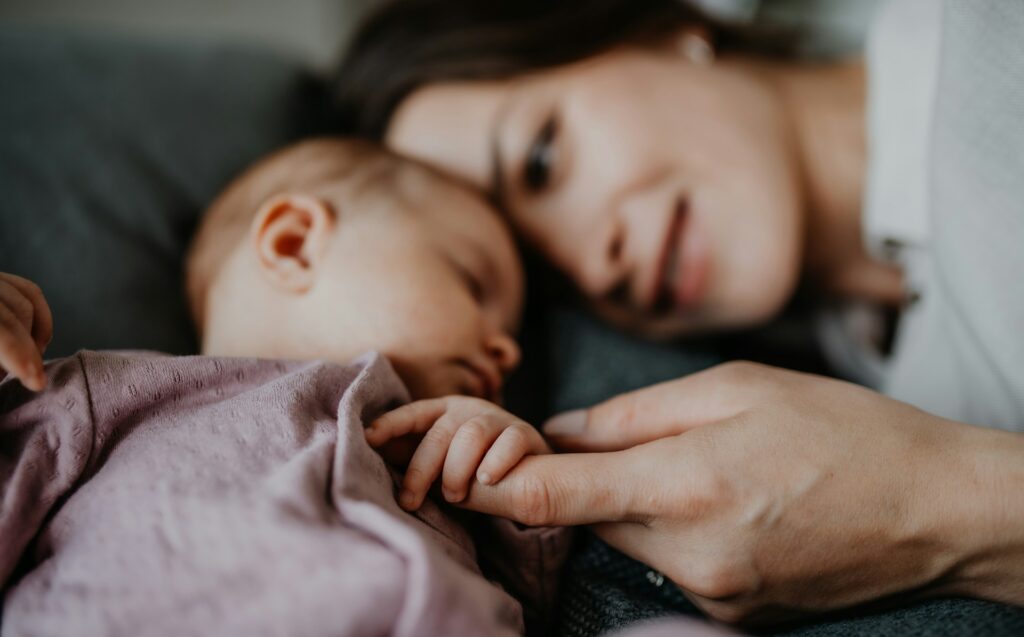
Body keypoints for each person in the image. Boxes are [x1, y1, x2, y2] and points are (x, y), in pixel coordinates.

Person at [333, 0, 1024, 625]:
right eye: (541, 277)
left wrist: (934, 507)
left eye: (542, 158)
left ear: (668, 29)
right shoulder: (865, 370)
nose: (591, 266)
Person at [0, 138, 573, 636]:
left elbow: (534, 604)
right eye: (472, 284)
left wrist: (509, 479)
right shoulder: (112, 397)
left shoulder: (442, 478)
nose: (509, 350)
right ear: (294, 244)